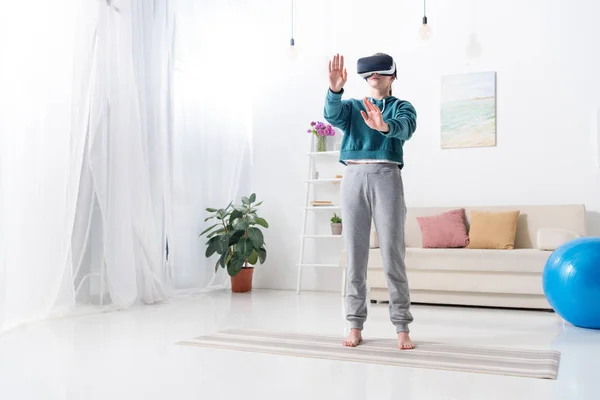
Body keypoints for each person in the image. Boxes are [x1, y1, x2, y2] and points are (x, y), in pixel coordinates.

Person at [323, 53, 417, 350]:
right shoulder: (352, 107)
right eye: (370, 73)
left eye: (380, 72)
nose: (374, 75)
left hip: (387, 176)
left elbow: (406, 128)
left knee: (392, 254)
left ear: (392, 76)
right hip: (353, 177)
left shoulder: (402, 107)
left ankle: (402, 327)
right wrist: (335, 90)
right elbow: (332, 116)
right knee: (355, 255)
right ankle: (354, 324)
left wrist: (383, 126)